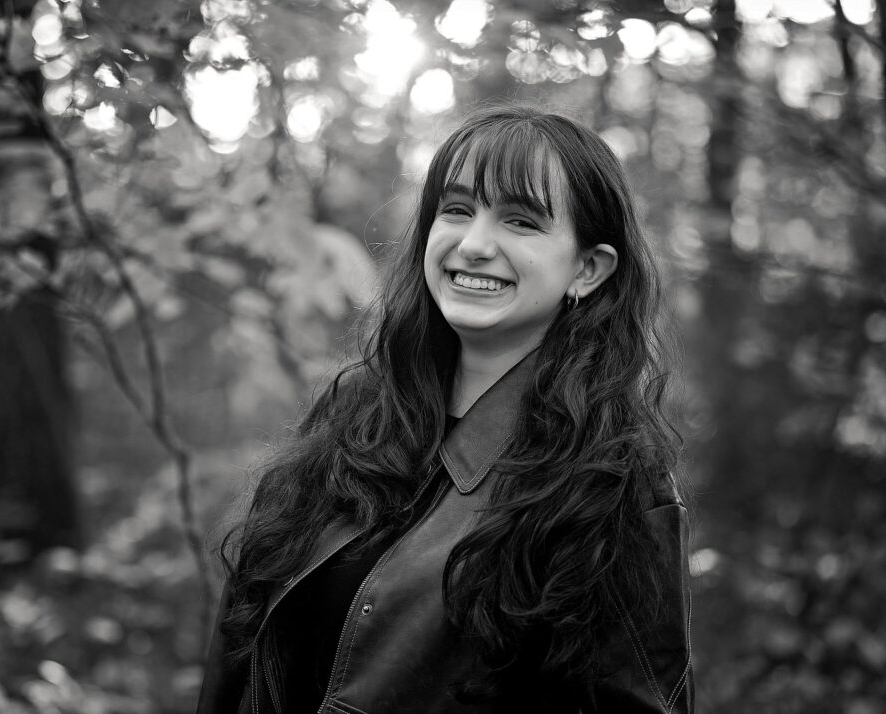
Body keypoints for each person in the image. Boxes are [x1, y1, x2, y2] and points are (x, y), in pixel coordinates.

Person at [197, 105, 693, 714]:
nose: (474, 245)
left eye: (521, 221)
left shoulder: (614, 480)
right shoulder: (351, 415)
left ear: (587, 269)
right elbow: (239, 653)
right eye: (456, 210)